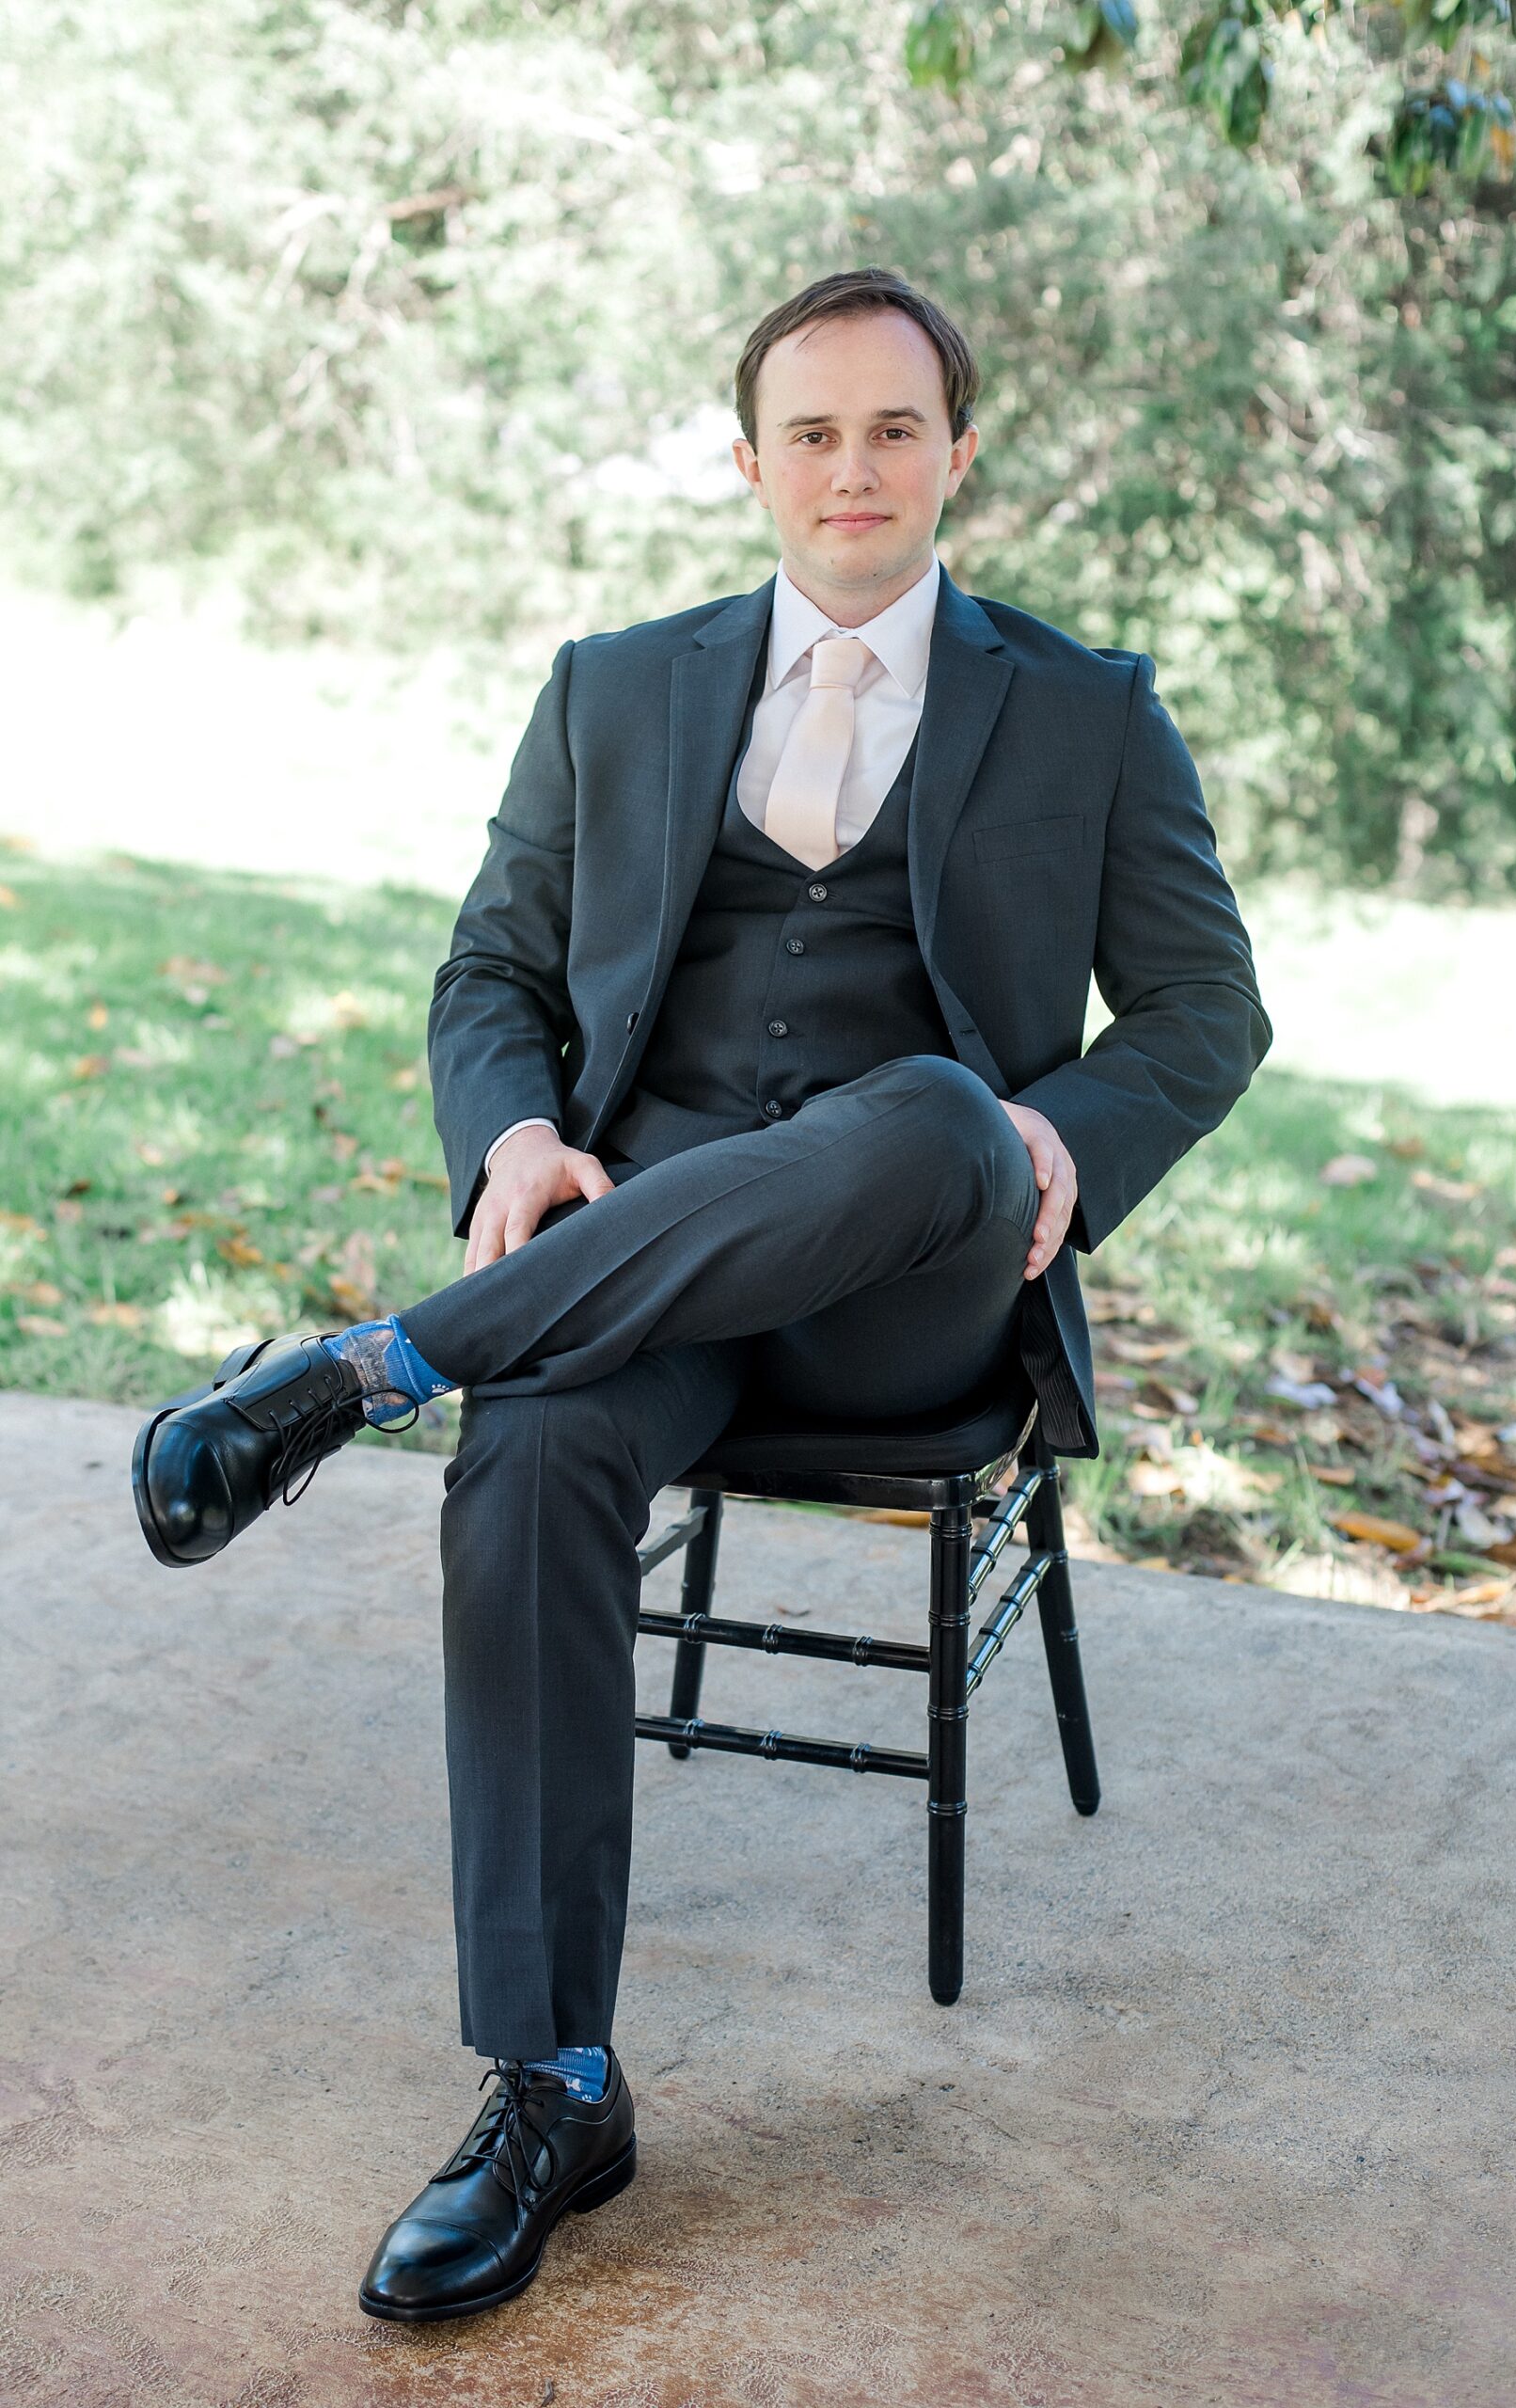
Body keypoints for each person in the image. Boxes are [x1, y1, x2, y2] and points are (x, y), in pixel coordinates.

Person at [131, 267, 1271, 2322]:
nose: (853, 467)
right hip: (636, 1260)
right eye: (810, 432)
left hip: (912, 1276)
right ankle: (551, 2081)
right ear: (747, 461)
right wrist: (508, 1144)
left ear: (957, 455)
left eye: (895, 429)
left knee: (932, 1109)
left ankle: (356, 1366)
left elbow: (1204, 1005)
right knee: (535, 1447)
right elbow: (491, 972)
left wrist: (1057, 1133)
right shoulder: (615, 685)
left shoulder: (1086, 708)